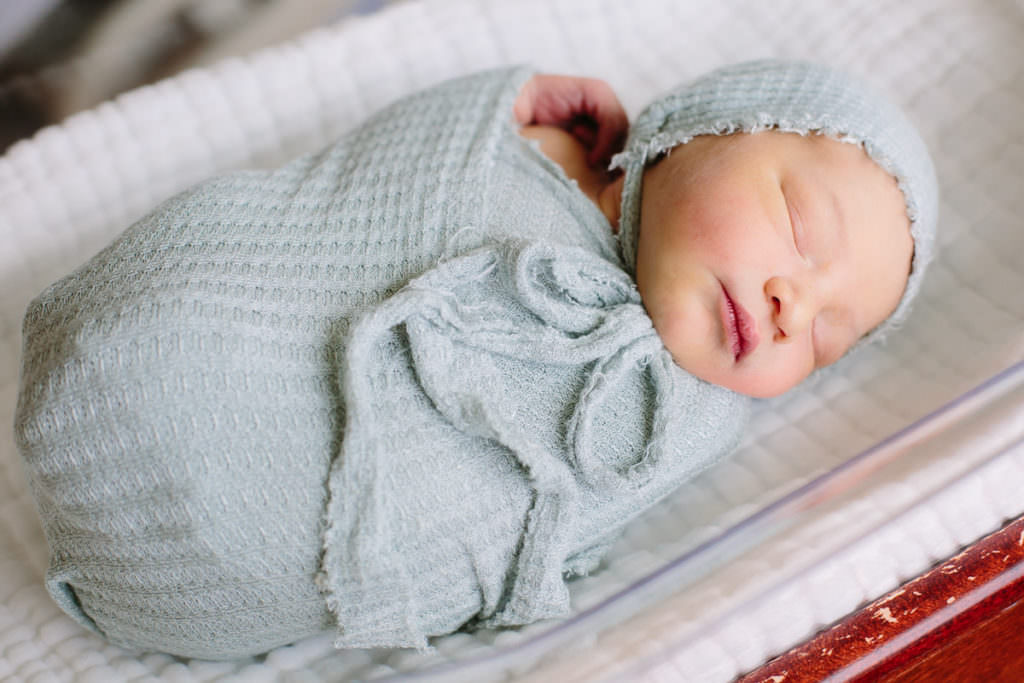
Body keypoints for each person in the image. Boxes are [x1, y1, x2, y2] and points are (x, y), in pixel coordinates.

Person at [14, 60, 937, 659]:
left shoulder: (673, 418)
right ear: (692, 130)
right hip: (150, 343)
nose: (792, 305)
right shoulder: (522, 153)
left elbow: (556, 526)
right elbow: (370, 184)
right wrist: (498, 112)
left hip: (213, 594)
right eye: (798, 227)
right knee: (223, 273)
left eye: (826, 338)